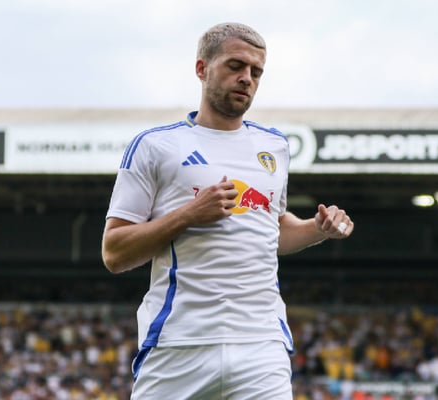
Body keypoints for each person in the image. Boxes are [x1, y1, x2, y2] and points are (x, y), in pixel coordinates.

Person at [102, 22, 354, 400]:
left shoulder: (274, 146)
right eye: (235, 66)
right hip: (178, 344)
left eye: (256, 72)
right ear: (201, 68)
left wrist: (318, 228)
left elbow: (270, 228)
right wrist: (189, 214)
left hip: (261, 346)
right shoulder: (155, 146)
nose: (246, 78)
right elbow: (114, 252)